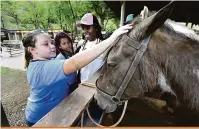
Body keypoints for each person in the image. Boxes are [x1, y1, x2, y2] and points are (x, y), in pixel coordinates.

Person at [23, 24, 132, 126]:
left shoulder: (43, 63)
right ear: (32, 50)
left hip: (49, 112)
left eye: (51, 42)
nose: (52, 46)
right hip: (40, 119)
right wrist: (112, 38)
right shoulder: (44, 68)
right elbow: (75, 63)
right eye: (46, 44)